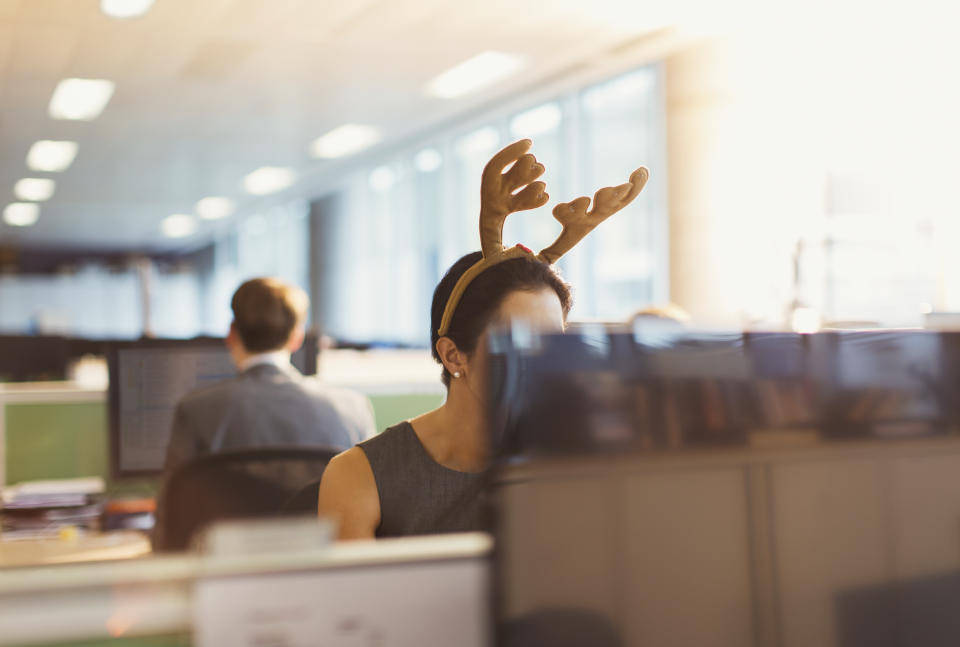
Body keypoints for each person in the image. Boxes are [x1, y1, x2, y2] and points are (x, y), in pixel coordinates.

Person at [318, 139, 648, 539]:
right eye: (520, 344)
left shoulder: (577, 462)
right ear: (454, 355)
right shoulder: (360, 475)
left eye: (554, 343)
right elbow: (356, 602)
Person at [162, 277, 376, 476]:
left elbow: (172, 508)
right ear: (296, 337)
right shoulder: (352, 409)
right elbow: (371, 505)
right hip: (319, 519)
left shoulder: (195, 411)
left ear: (232, 335)